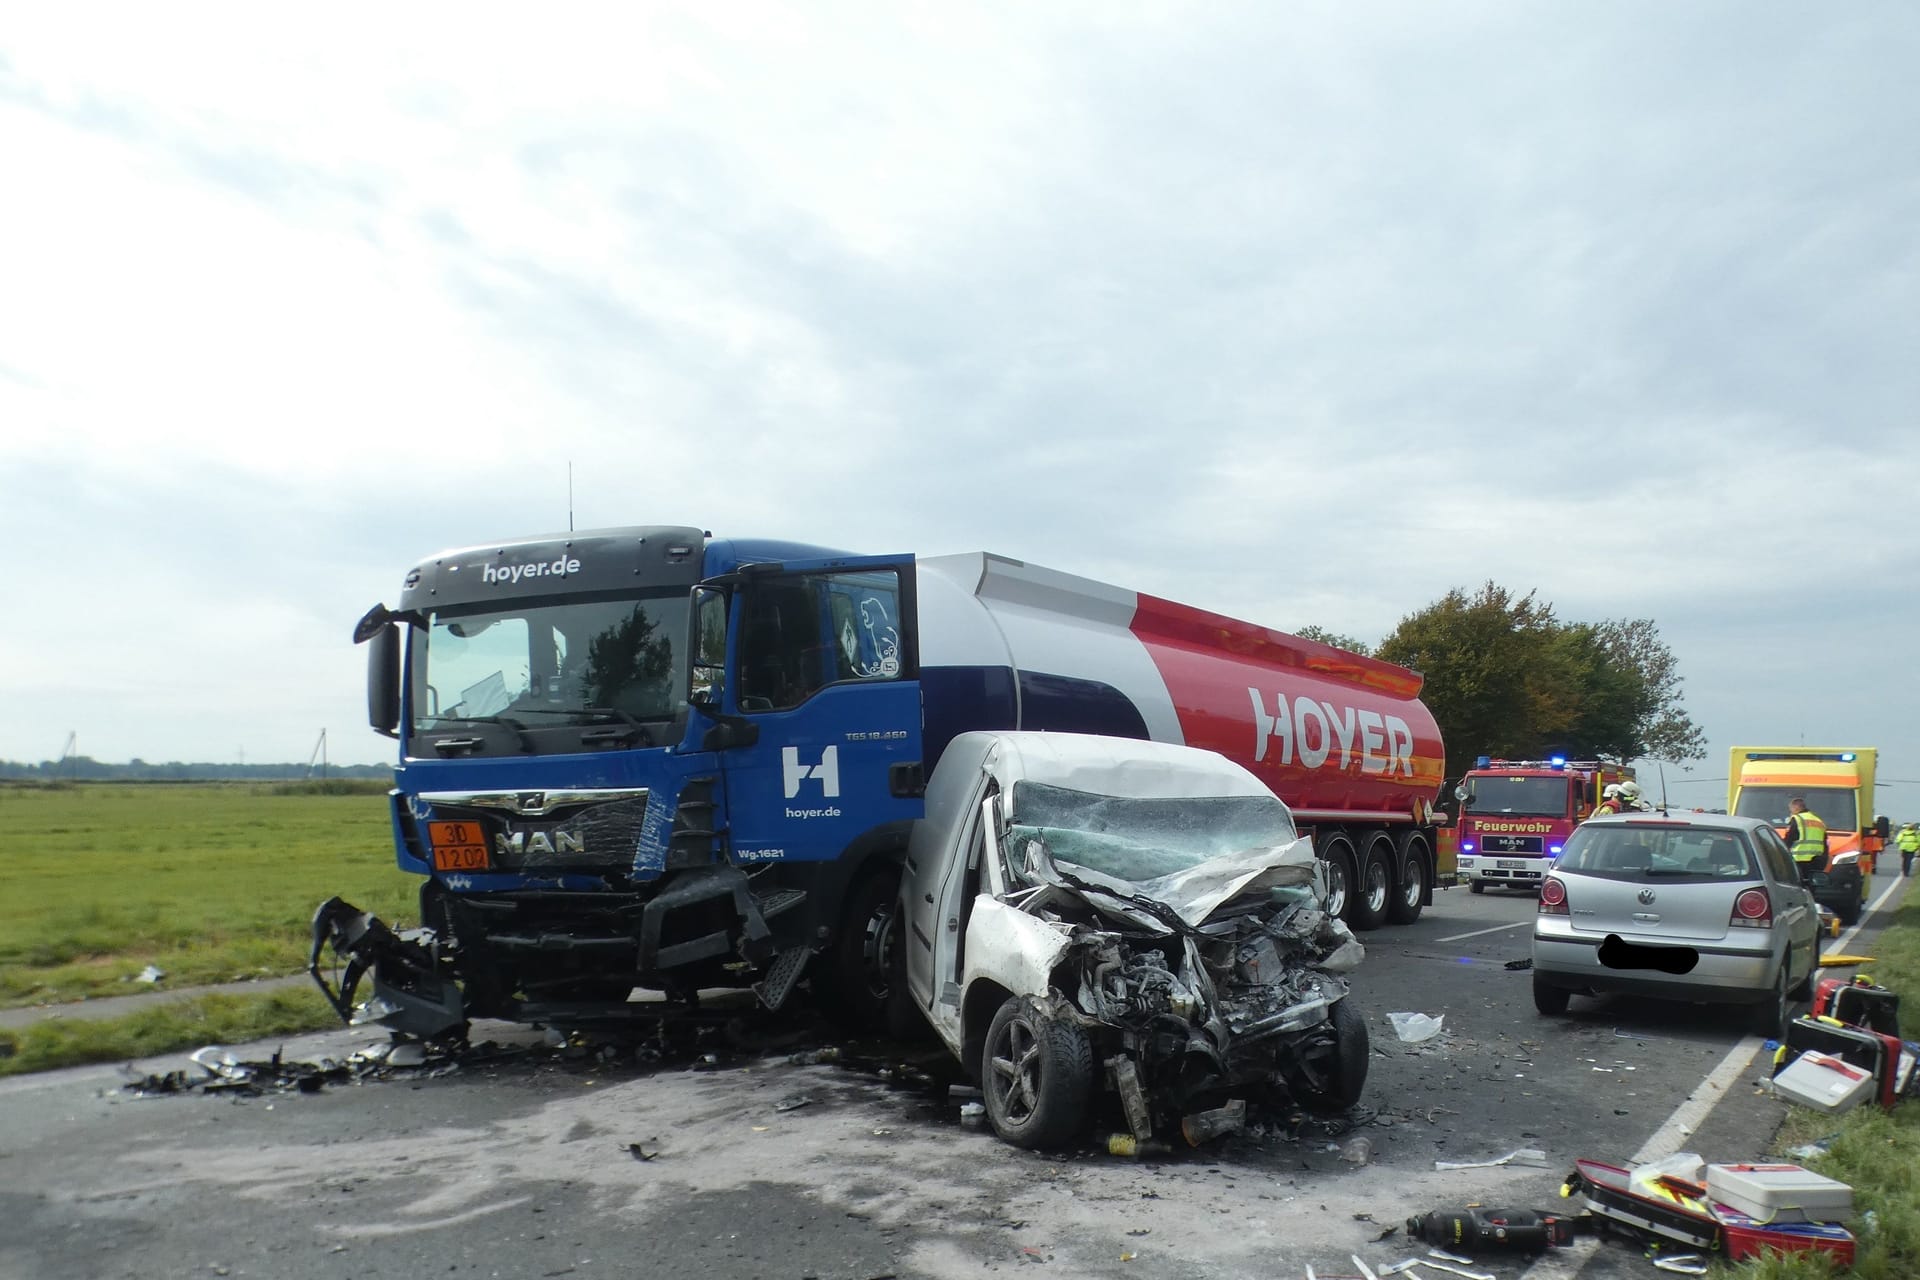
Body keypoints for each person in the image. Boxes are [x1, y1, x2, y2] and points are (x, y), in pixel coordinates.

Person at [1785, 796, 1830, 872]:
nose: (1791, 812)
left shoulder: (1797, 818)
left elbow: (1790, 838)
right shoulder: (1818, 820)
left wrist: (1782, 849)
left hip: (1799, 859)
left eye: (1791, 809)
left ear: (1796, 808)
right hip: (1818, 860)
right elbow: (1825, 842)